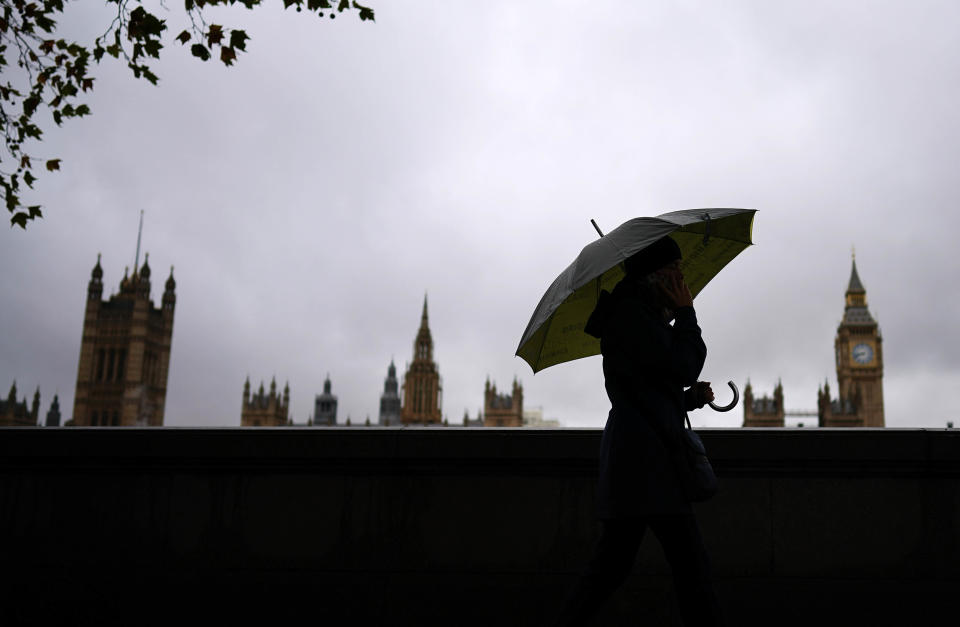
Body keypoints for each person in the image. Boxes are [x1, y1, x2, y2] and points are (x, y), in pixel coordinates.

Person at [556, 235, 724, 626]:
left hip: (638, 458)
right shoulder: (633, 315)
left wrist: (689, 399)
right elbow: (683, 364)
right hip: (648, 465)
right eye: (677, 273)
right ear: (657, 277)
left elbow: (645, 390)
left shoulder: (635, 314)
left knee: (612, 567)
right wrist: (686, 314)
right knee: (691, 569)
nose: (684, 282)